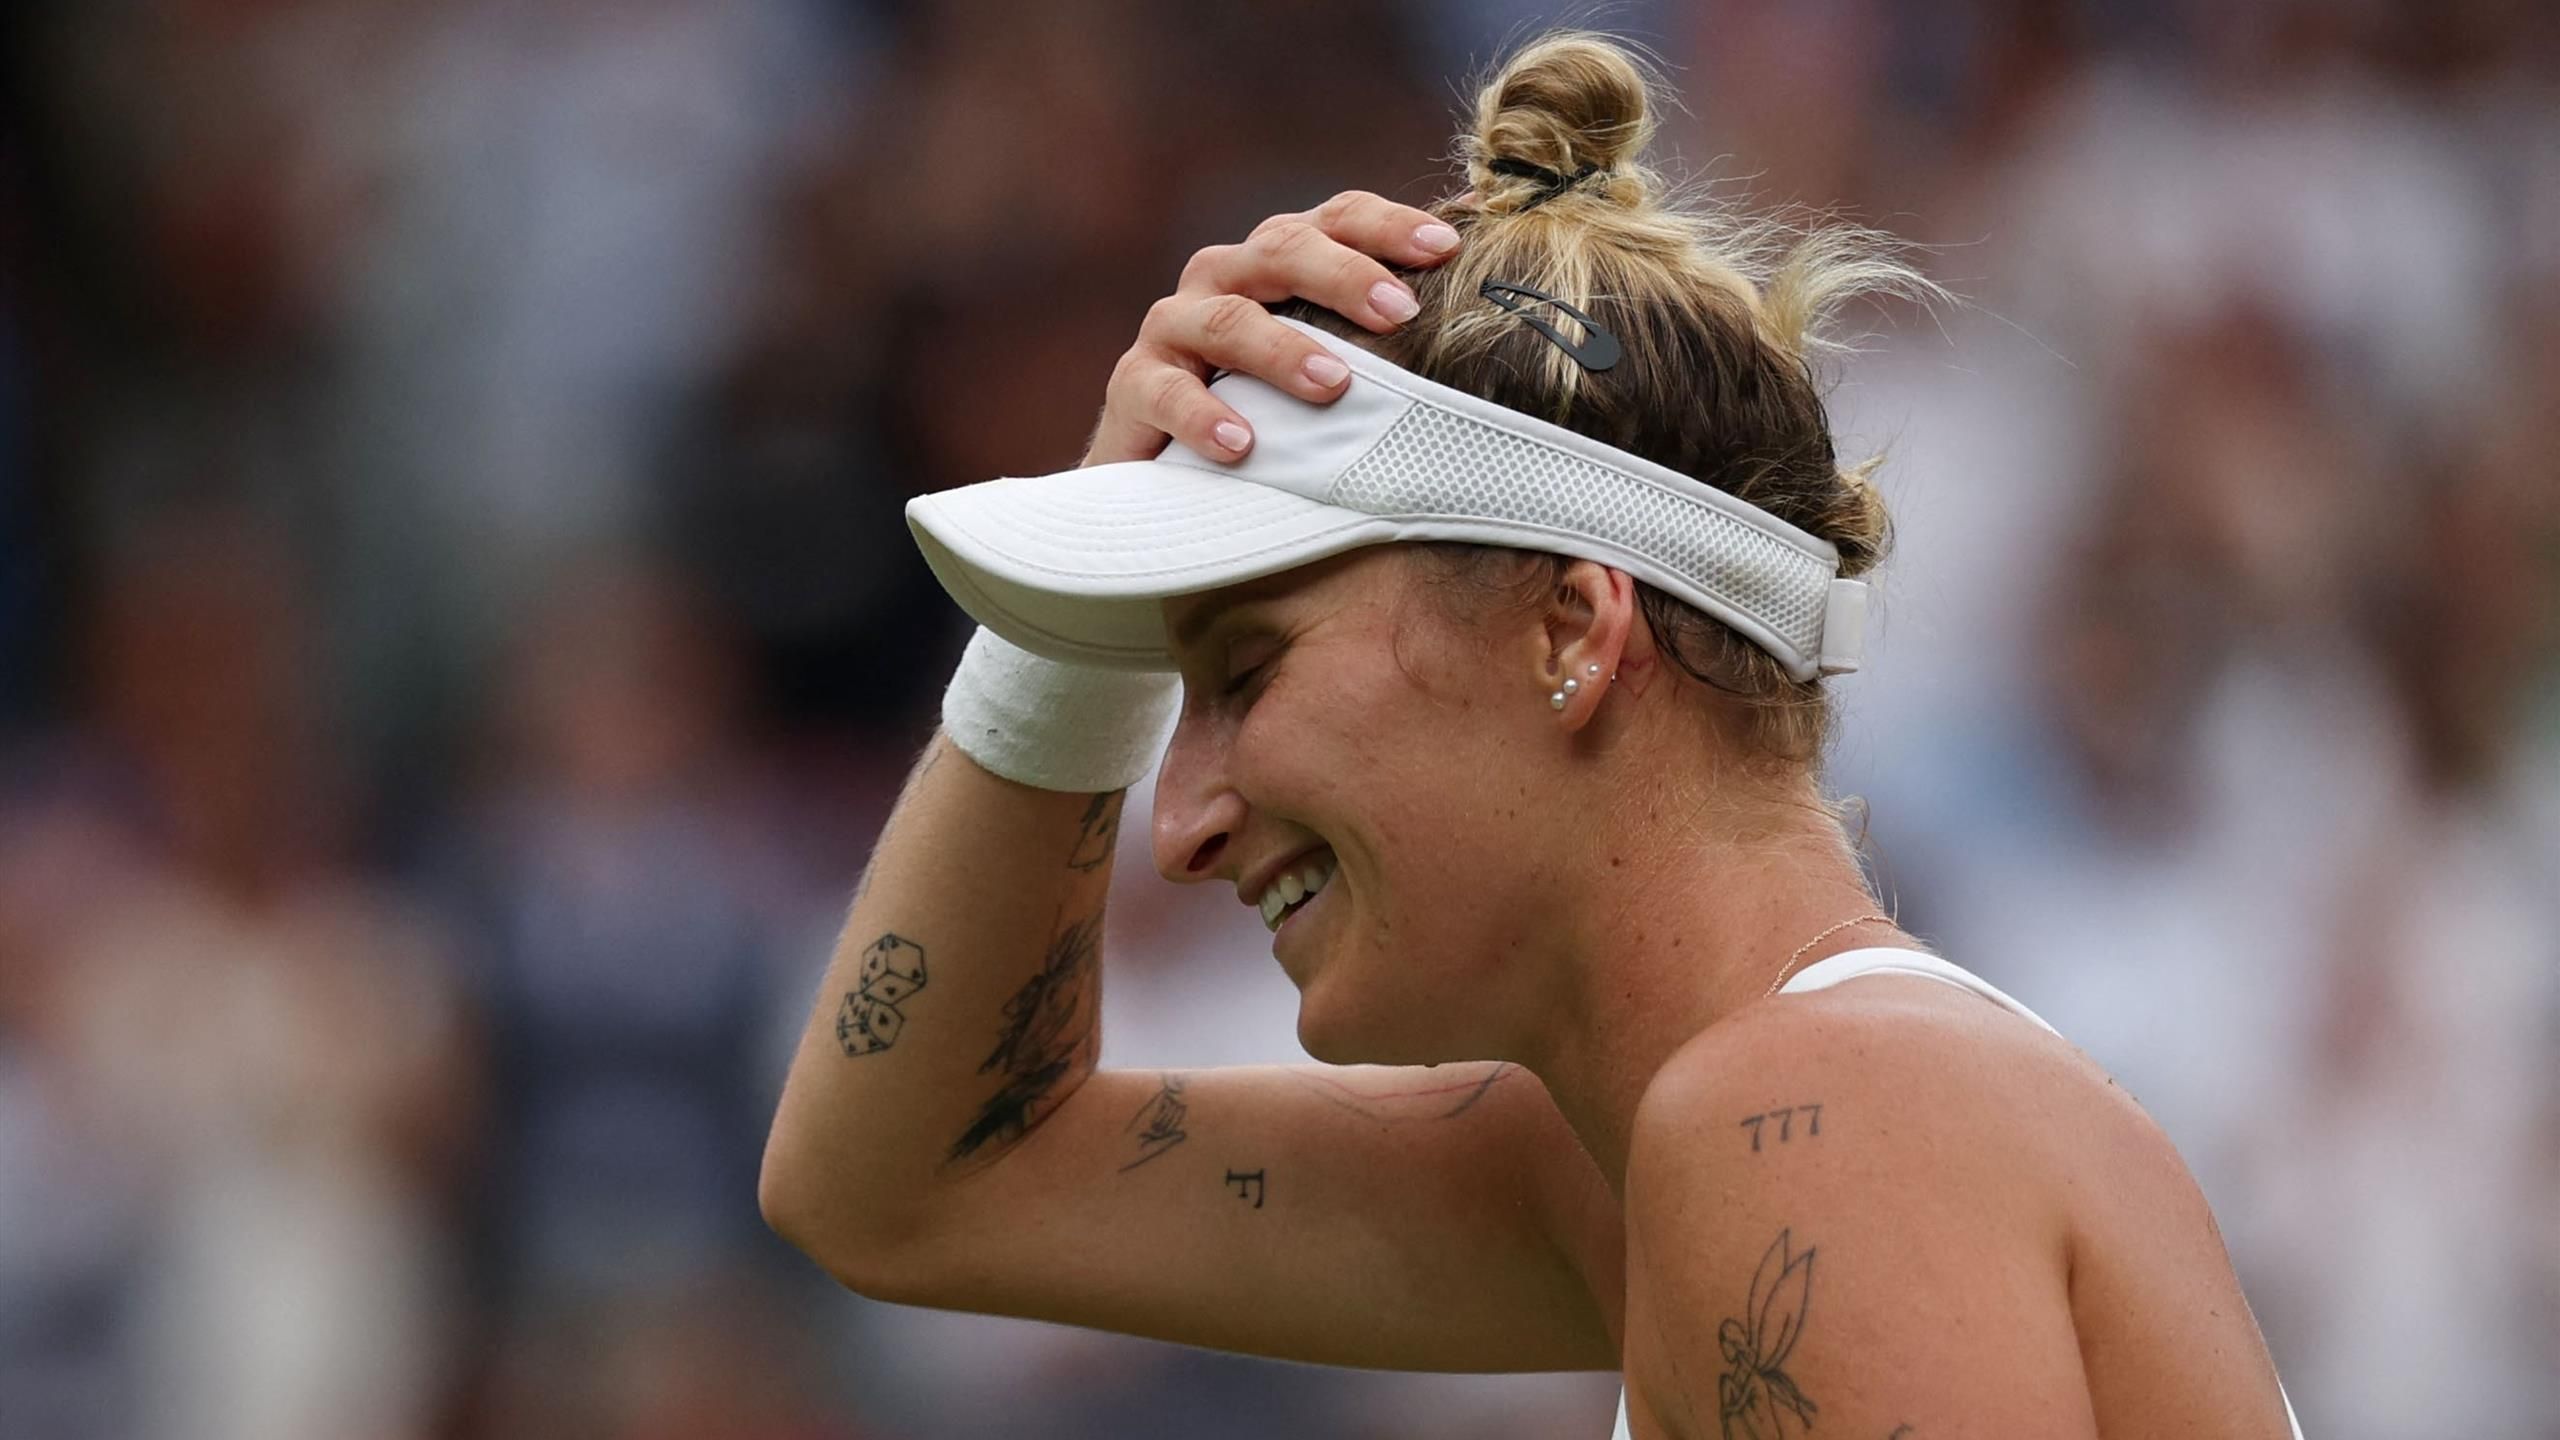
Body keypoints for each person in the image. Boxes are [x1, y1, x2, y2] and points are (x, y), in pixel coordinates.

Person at [762, 31, 2305, 1439]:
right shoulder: (1680, 1145)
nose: (1182, 825)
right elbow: (911, 1187)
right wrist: (1075, 633)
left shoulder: (1806, 1127)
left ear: (1571, 630)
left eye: (1247, 672)